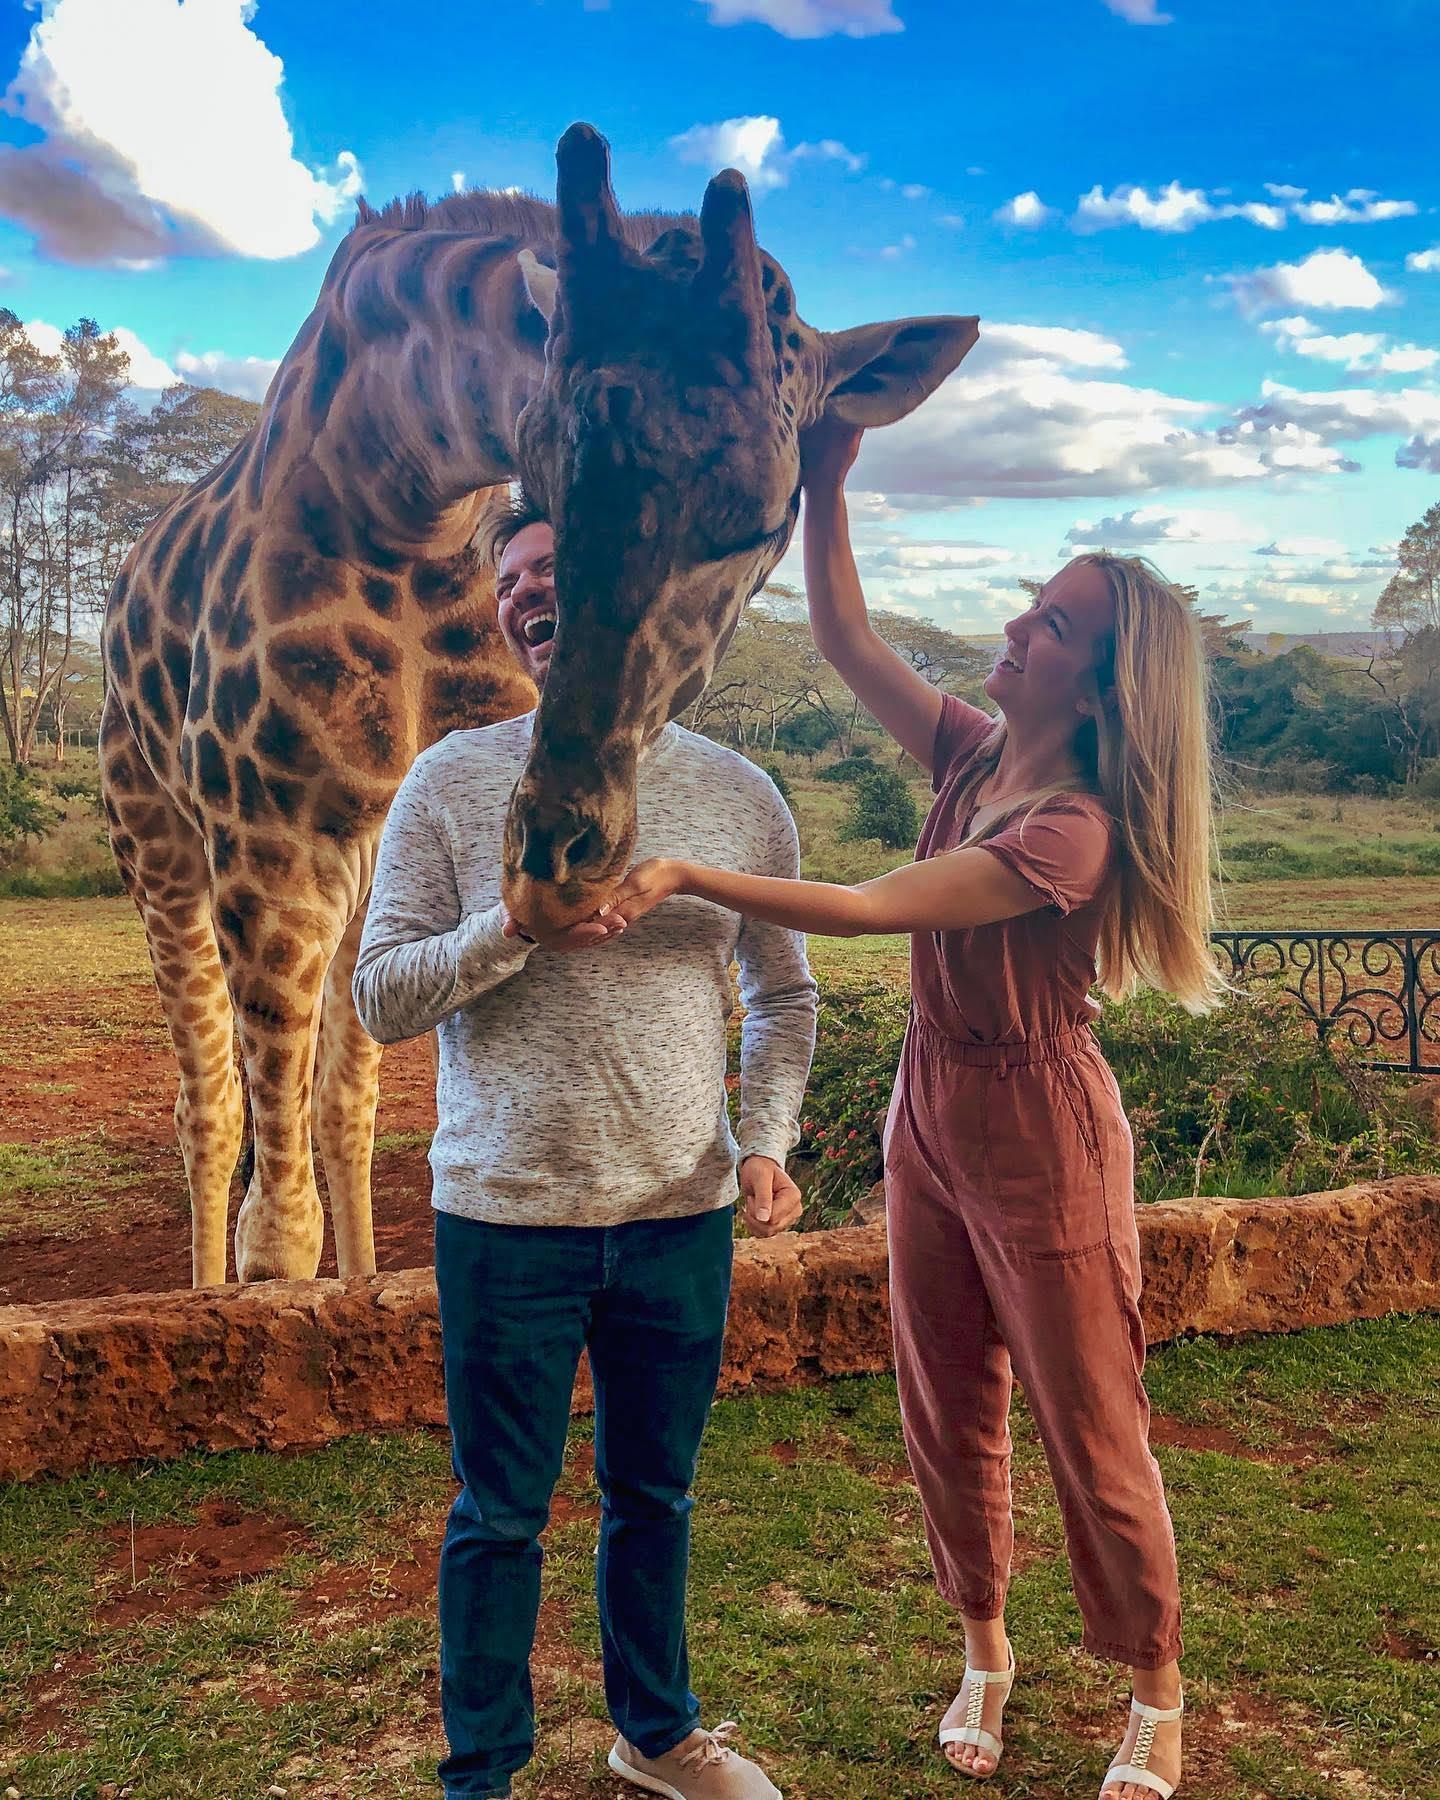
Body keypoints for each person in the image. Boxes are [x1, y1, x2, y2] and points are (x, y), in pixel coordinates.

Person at [601, 423, 1225, 1800]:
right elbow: (844, 636)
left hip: (1041, 1123)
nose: (1016, 628)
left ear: (1104, 679)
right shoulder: (971, 753)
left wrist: (686, 872)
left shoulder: (1071, 828)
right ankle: (985, 1653)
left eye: (1051, 624)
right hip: (927, 1104)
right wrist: (828, 476)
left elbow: (874, 906)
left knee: (1090, 1419)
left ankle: (1155, 1688)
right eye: (1032, 604)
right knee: (943, 1397)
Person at [352, 501, 818, 1800]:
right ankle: (483, 1776)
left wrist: (766, 1138)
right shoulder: (452, 782)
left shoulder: (739, 794)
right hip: (504, 1216)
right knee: (499, 1514)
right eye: (511, 578)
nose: (526, 592)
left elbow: (785, 992)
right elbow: (379, 996)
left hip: (680, 1214)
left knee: (653, 1498)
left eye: (556, 564)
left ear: (634, 582)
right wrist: (512, 928)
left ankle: (655, 1735)